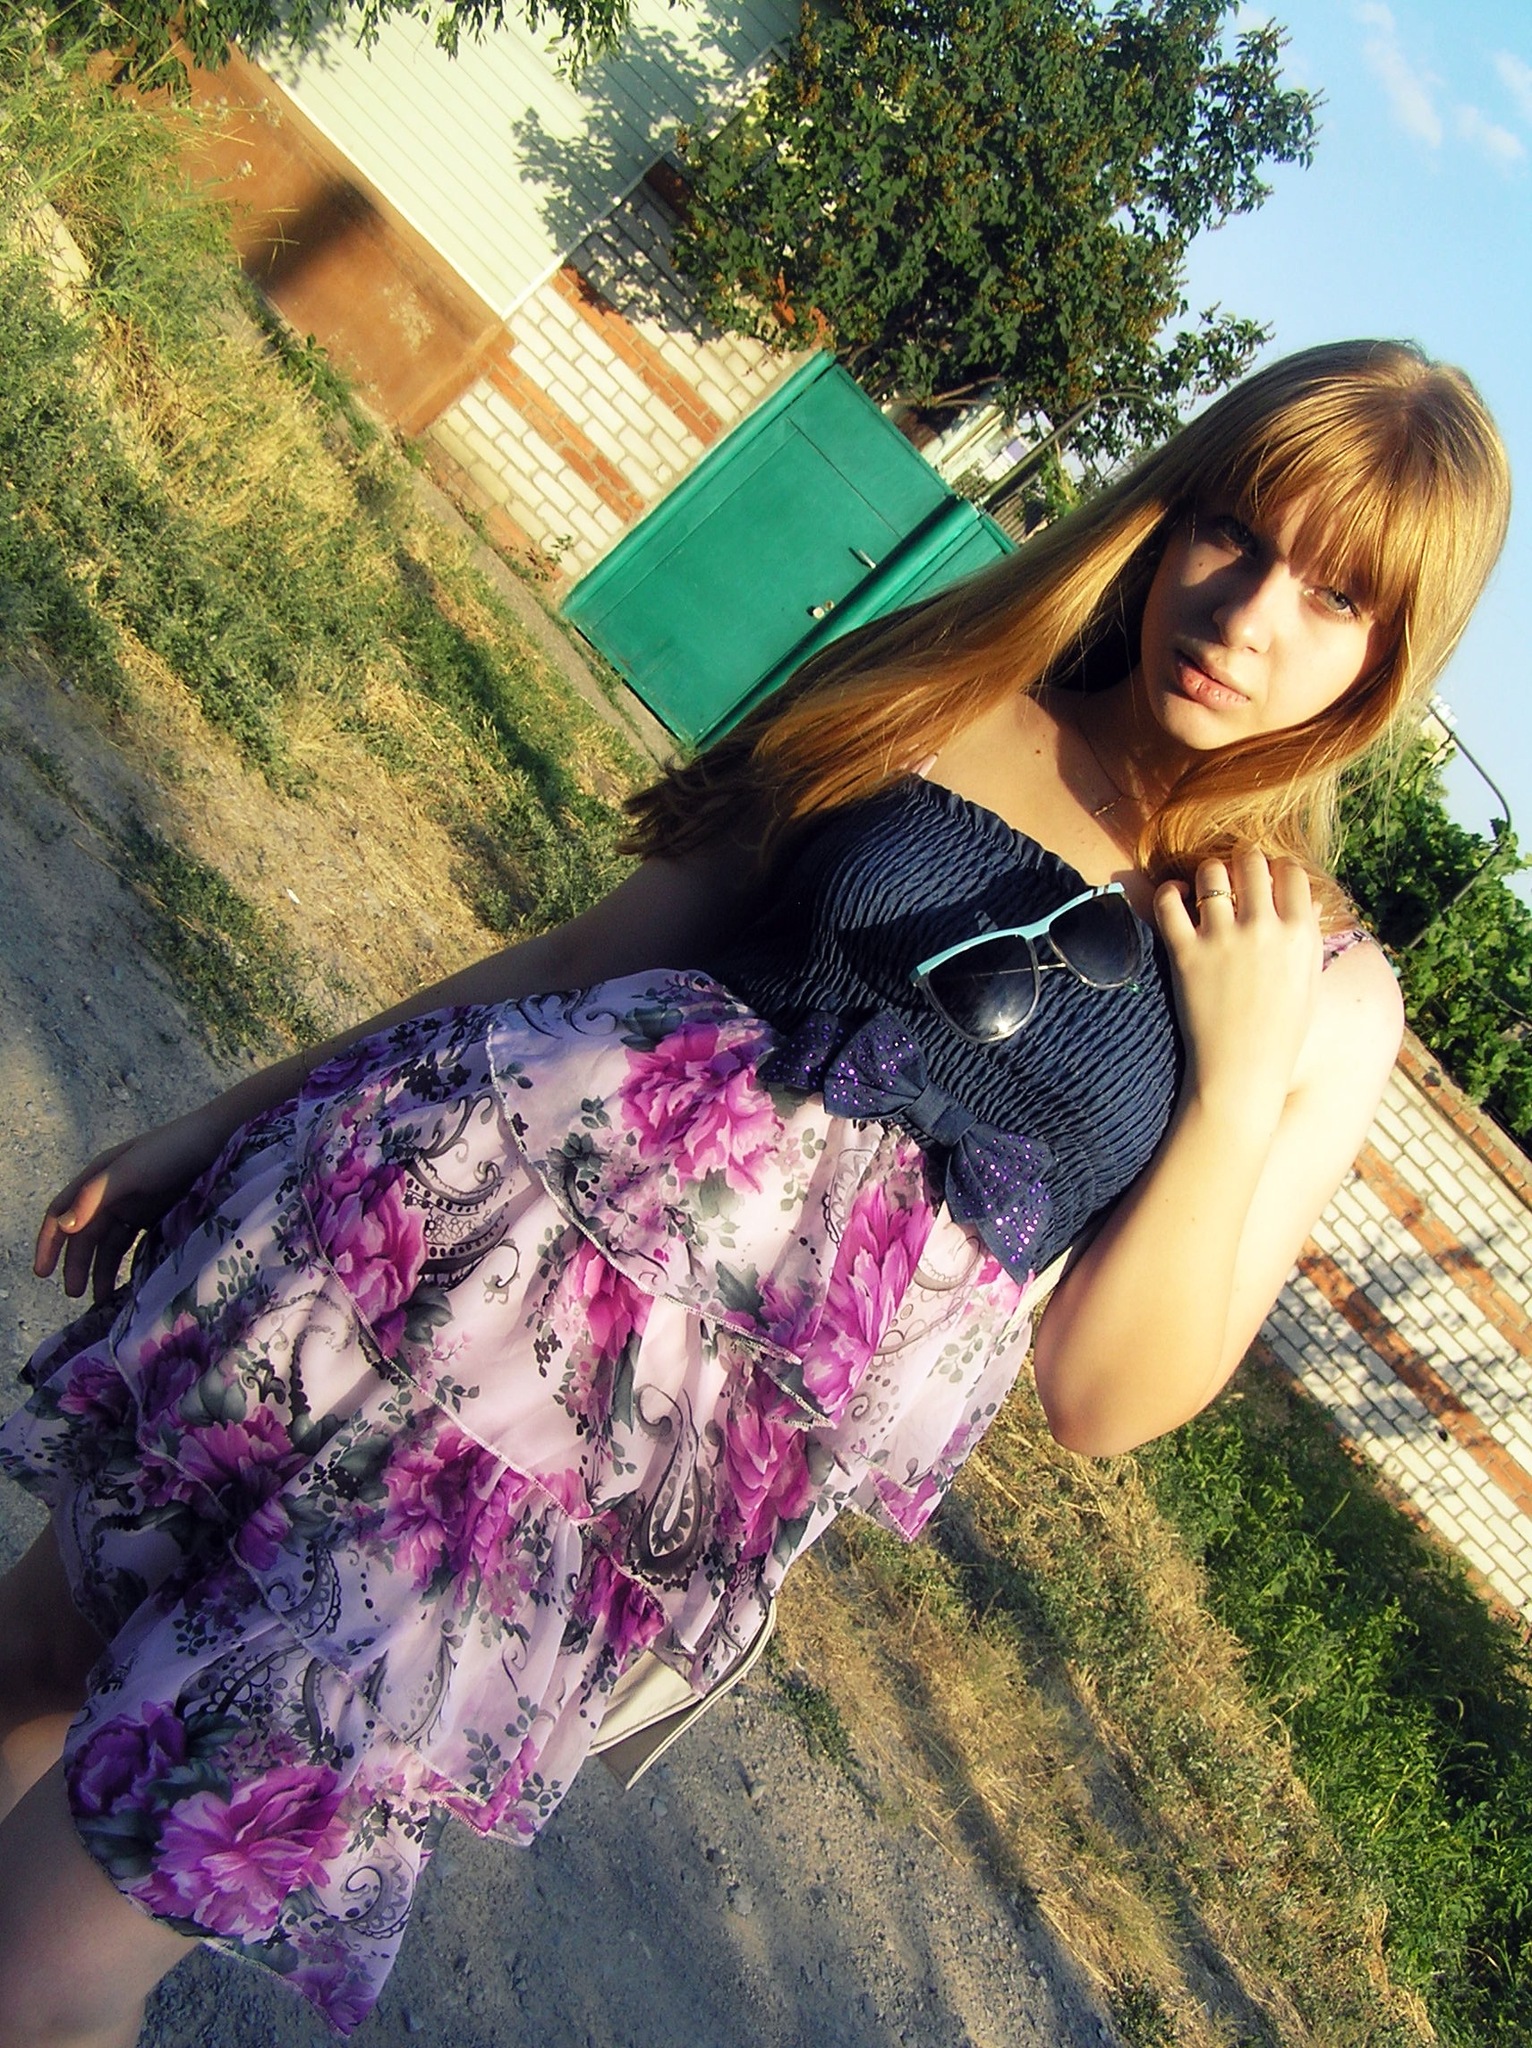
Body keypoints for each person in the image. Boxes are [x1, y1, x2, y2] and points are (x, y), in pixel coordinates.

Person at [0, 338, 1509, 2047]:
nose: (1246, 616)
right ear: (1170, 516)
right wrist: (226, 1118)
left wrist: (1233, 1086)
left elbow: (1106, 1397)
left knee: (47, 1971)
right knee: (34, 1666)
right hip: (388, 1268)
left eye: (1334, 597)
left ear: (1392, 655)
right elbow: (578, 962)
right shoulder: (949, 683)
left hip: (548, 1509)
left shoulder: (1324, 992)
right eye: (1236, 533)